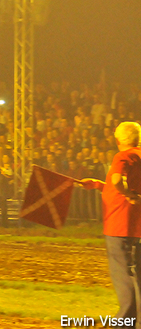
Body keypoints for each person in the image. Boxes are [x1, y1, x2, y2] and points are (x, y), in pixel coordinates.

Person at [80, 121, 141, 325]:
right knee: (136, 274)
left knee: (123, 275)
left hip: (119, 224)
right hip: (137, 225)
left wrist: (128, 194)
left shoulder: (122, 156)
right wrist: (98, 185)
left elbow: (117, 181)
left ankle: (125, 320)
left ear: (117, 140)